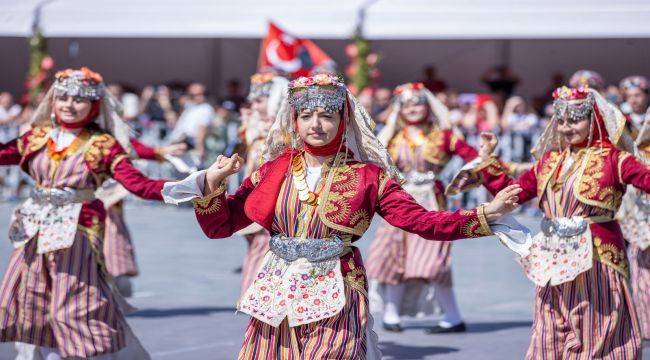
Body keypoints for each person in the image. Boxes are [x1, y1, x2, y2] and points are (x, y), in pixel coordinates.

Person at [162, 74, 521, 359]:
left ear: (343, 118)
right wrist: (209, 187)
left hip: (337, 288)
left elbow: (422, 222)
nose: (316, 124)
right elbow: (220, 226)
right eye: (306, 116)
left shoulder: (369, 176)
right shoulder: (274, 170)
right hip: (277, 291)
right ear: (294, 121)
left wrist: (484, 215)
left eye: (326, 115)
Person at [449, 86, 645, 359]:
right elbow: (515, 192)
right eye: (561, 121)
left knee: (597, 325)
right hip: (554, 257)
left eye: (575, 120)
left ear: (594, 120)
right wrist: (487, 164)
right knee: (551, 322)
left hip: (599, 258)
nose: (566, 128)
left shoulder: (616, 159)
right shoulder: (550, 161)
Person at [0, 67, 168, 359]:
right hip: (33, 233)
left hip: (75, 234)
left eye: (79, 99)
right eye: (63, 97)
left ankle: (82, 352)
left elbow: (139, 185)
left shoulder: (101, 144)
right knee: (31, 300)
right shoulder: (37, 138)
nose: (69, 104)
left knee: (74, 303)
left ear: (94, 105)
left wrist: (197, 185)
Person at [365, 82, 478, 333]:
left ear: (428, 106)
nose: (413, 107)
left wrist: (464, 180)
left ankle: (452, 316)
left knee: (433, 263)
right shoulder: (391, 137)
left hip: (431, 203)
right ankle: (391, 315)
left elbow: (475, 158)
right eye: (407, 103)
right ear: (399, 108)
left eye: (418, 102)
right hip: (398, 202)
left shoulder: (444, 135)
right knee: (392, 257)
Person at [236, 72, 288, 295]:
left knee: (266, 252)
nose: (255, 106)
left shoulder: (285, 132)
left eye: (259, 101)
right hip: (256, 200)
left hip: (276, 207)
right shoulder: (258, 128)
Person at [167, 82, 214, 161]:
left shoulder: (206, 108)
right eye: (194, 95)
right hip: (178, 144)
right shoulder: (190, 107)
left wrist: (200, 149)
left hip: (191, 146)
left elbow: (201, 130)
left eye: (202, 94)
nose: (200, 97)